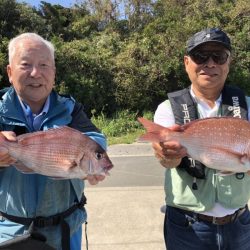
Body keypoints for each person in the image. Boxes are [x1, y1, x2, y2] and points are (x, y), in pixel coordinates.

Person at [0, 33, 107, 250]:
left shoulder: (69, 108)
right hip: (9, 230)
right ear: (10, 72)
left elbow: (95, 138)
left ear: (54, 73)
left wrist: (93, 159)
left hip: (65, 231)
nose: (36, 73)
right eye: (26, 65)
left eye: (44, 65)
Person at [153, 28, 250, 250]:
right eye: (200, 56)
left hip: (240, 223)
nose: (210, 63)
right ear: (187, 62)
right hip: (187, 226)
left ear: (228, 63)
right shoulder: (168, 109)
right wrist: (166, 154)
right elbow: (167, 161)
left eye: (219, 56)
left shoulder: (247, 106)